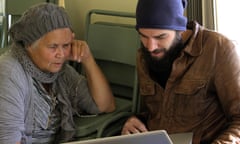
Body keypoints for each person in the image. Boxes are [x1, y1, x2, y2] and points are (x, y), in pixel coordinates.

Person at [121, 0, 240, 143]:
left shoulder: (218, 49)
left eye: (160, 37)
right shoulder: (144, 55)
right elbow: (152, 110)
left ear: (181, 29)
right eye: (144, 36)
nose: (151, 47)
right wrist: (135, 120)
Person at [0, 3, 115, 144]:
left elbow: (105, 105)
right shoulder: (10, 73)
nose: (61, 54)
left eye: (66, 45)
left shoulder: (61, 72)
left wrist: (87, 59)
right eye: (53, 46)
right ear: (29, 44)